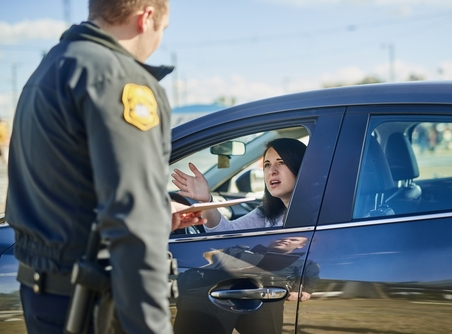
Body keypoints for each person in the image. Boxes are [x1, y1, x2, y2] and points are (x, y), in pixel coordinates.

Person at [5, 1, 205, 333]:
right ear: (147, 17)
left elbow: (68, 191)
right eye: (163, 29)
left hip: (43, 297)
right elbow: (132, 224)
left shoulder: (52, 67)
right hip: (89, 307)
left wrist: (157, 212)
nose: (159, 40)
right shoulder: (120, 80)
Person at [173, 236, 320, 334]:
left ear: (301, 245)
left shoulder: (304, 263)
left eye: (293, 239)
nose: (286, 240)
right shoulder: (240, 249)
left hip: (265, 294)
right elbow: (211, 261)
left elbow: (306, 282)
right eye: (283, 237)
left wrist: (302, 290)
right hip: (216, 287)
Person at [172, 138, 307, 232]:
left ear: (299, 166)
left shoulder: (319, 216)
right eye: (267, 165)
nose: (272, 171)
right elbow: (225, 234)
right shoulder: (268, 213)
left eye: (281, 162)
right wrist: (206, 200)